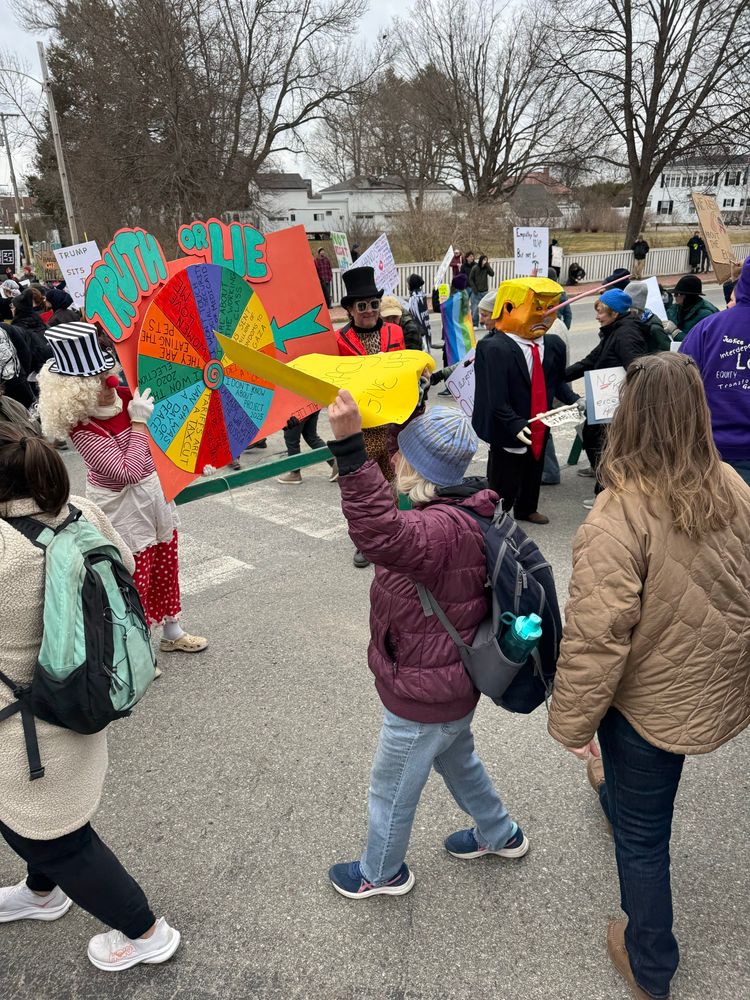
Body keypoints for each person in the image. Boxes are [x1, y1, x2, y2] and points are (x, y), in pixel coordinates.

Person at [547, 352, 750, 1000]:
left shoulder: (617, 515)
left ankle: (650, 965)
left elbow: (595, 637)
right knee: (644, 801)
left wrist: (573, 723)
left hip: (644, 706)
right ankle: (613, 792)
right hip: (709, 689)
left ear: (628, 417)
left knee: (643, 840)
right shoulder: (735, 489)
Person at [326, 397, 529, 899]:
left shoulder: (437, 530)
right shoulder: (464, 507)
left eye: (399, 452)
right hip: (449, 682)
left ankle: (381, 872)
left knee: (391, 788)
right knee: (459, 760)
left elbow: (380, 532)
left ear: (413, 465)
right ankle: (500, 833)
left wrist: (351, 450)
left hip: (425, 691)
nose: (391, 457)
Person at [0, 423, 181, 971]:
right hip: (81, 696)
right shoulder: (80, 510)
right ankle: (40, 893)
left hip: (23, 736)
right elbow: (124, 564)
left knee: (57, 839)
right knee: (43, 822)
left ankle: (147, 932)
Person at [37, 321, 207, 655]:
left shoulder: (126, 397)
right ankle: (136, 651)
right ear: (78, 390)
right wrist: (139, 422)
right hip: (122, 508)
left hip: (154, 496)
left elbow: (163, 437)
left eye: (106, 371)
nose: (109, 381)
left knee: (165, 561)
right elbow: (126, 470)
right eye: (96, 379)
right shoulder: (82, 428)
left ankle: (172, 631)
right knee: (134, 575)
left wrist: (193, 457)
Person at [472, 276, 578, 524]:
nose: (544, 315)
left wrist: (574, 399)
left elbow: (555, 382)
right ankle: (497, 513)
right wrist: (514, 422)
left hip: (540, 420)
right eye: (537, 307)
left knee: (534, 467)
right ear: (508, 308)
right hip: (508, 422)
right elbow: (493, 395)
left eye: (549, 307)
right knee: (504, 472)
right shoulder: (494, 348)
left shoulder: (552, 345)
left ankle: (527, 507)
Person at [336, 267, 405, 569]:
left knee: (394, 480)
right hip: (359, 424)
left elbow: (404, 370)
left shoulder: (395, 332)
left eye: (373, 304)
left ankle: (396, 533)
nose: (369, 311)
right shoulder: (339, 341)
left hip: (391, 421)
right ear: (350, 310)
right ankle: (364, 542)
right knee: (362, 486)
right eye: (361, 306)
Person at [564, 289, 648, 506]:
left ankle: (607, 497)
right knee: (595, 442)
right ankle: (605, 493)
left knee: (605, 448)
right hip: (605, 404)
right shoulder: (614, 331)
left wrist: (627, 399)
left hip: (615, 405)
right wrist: (558, 376)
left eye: (600, 312)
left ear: (615, 313)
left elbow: (636, 368)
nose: (597, 316)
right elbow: (592, 360)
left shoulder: (626, 334)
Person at [680, 256, 750, 485]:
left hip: (711, 449)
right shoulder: (708, 327)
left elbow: (678, 385)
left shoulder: (708, 327)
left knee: (716, 518)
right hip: (712, 450)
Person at [276, 409, 338, 485]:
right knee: (312, 437)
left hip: (296, 406)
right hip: (311, 403)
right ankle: (336, 464)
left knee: (291, 439)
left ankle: (294, 474)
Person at [664, 275, 718, 341]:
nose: (674, 297)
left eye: (677, 294)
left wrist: (675, 332)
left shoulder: (706, 315)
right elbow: (668, 315)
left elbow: (697, 343)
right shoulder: (677, 307)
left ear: (687, 296)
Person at [624, 281, 671, 352]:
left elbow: (667, 351)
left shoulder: (654, 328)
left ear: (636, 308)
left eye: (626, 308)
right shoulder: (633, 320)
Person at [407, 273, 432, 351]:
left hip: (419, 331)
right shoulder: (422, 295)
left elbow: (413, 315)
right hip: (426, 328)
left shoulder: (414, 299)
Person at [468, 255, 495, 325]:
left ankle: (484, 323)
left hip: (484, 291)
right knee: (475, 309)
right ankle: (474, 323)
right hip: (476, 292)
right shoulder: (475, 268)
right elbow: (470, 279)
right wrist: (474, 288)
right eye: (484, 260)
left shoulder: (486, 268)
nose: (485, 261)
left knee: (485, 309)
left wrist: (487, 265)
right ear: (481, 260)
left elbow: (492, 274)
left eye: (486, 260)